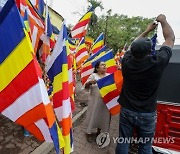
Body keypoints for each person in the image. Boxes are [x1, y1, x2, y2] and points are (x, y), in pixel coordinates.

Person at [115, 14, 175, 154]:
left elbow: (132, 46)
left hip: (127, 110)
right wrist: (163, 20)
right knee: (145, 146)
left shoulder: (126, 62)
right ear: (150, 51)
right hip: (147, 113)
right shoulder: (157, 62)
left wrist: (147, 30)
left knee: (124, 141)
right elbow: (170, 38)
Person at [85, 61, 111, 143]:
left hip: (105, 103)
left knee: (102, 117)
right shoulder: (93, 76)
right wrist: (90, 82)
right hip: (94, 102)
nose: (104, 66)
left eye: (105, 65)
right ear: (97, 68)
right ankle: (88, 133)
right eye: (102, 65)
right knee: (92, 116)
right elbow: (85, 86)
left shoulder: (109, 76)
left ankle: (98, 132)